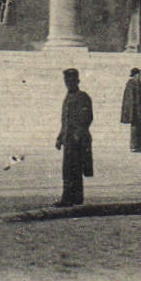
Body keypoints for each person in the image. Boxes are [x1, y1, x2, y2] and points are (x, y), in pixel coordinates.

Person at [55, 68, 94, 207]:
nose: (69, 84)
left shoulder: (82, 96)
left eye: (71, 81)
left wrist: (78, 134)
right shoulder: (68, 97)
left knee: (74, 169)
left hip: (78, 140)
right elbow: (65, 121)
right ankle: (72, 197)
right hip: (68, 139)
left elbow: (87, 117)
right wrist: (60, 138)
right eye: (67, 81)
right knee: (68, 169)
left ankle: (71, 198)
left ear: (77, 81)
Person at [120, 67, 141, 153]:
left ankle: (138, 146)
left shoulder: (139, 84)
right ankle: (134, 146)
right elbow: (130, 101)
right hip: (136, 112)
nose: (140, 76)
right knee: (135, 129)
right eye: (139, 74)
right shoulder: (131, 85)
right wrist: (132, 113)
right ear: (135, 75)